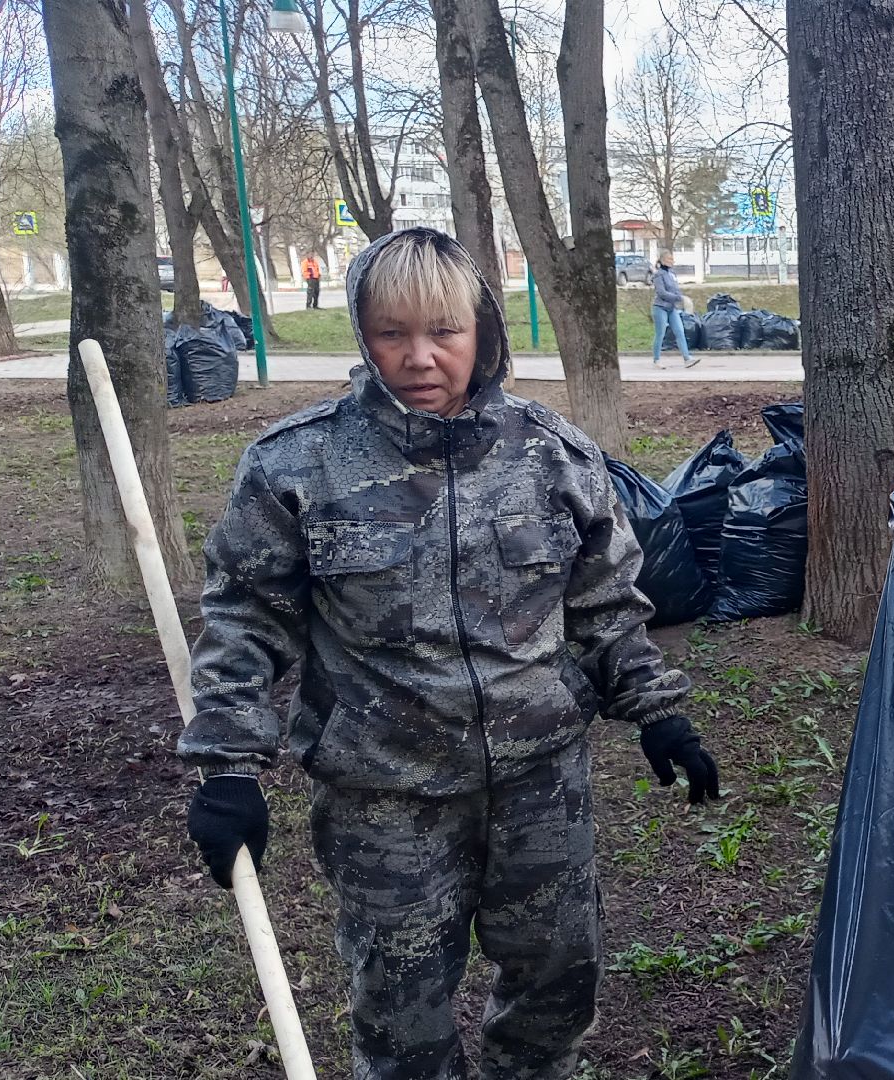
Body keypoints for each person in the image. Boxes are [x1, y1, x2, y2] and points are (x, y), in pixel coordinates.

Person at [179, 228, 721, 1079]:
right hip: (384, 799)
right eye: (392, 334)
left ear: (485, 331)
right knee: (402, 1017)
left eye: (444, 332)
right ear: (363, 335)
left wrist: (659, 712)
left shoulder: (554, 456)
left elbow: (603, 606)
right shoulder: (297, 465)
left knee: (556, 986)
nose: (420, 358)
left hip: (541, 785)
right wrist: (227, 768)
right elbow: (246, 620)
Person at [651, 251, 700, 368]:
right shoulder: (658, 275)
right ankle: (656, 360)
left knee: (680, 332)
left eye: (672, 259)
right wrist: (679, 298)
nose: (672, 261)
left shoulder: (672, 274)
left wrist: (683, 300)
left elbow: (676, 289)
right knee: (660, 334)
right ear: (662, 260)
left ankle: (687, 358)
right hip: (660, 307)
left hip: (672, 308)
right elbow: (662, 293)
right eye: (669, 259)